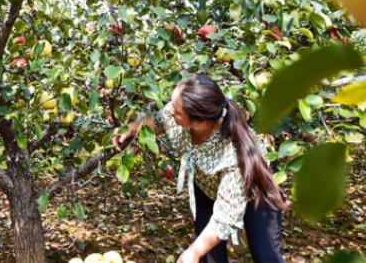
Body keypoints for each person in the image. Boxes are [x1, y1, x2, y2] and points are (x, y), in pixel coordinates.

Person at [113, 74, 287, 263]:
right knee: (209, 257)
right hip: (207, 182)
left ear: (198, 122)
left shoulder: (234, 157)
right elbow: (159, 121)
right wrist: (132, 128)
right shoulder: (178, 116)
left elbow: (223, 218)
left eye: (176, 110)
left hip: (256, 188)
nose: (170, 110)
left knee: (266, 256)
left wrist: (192, 252)